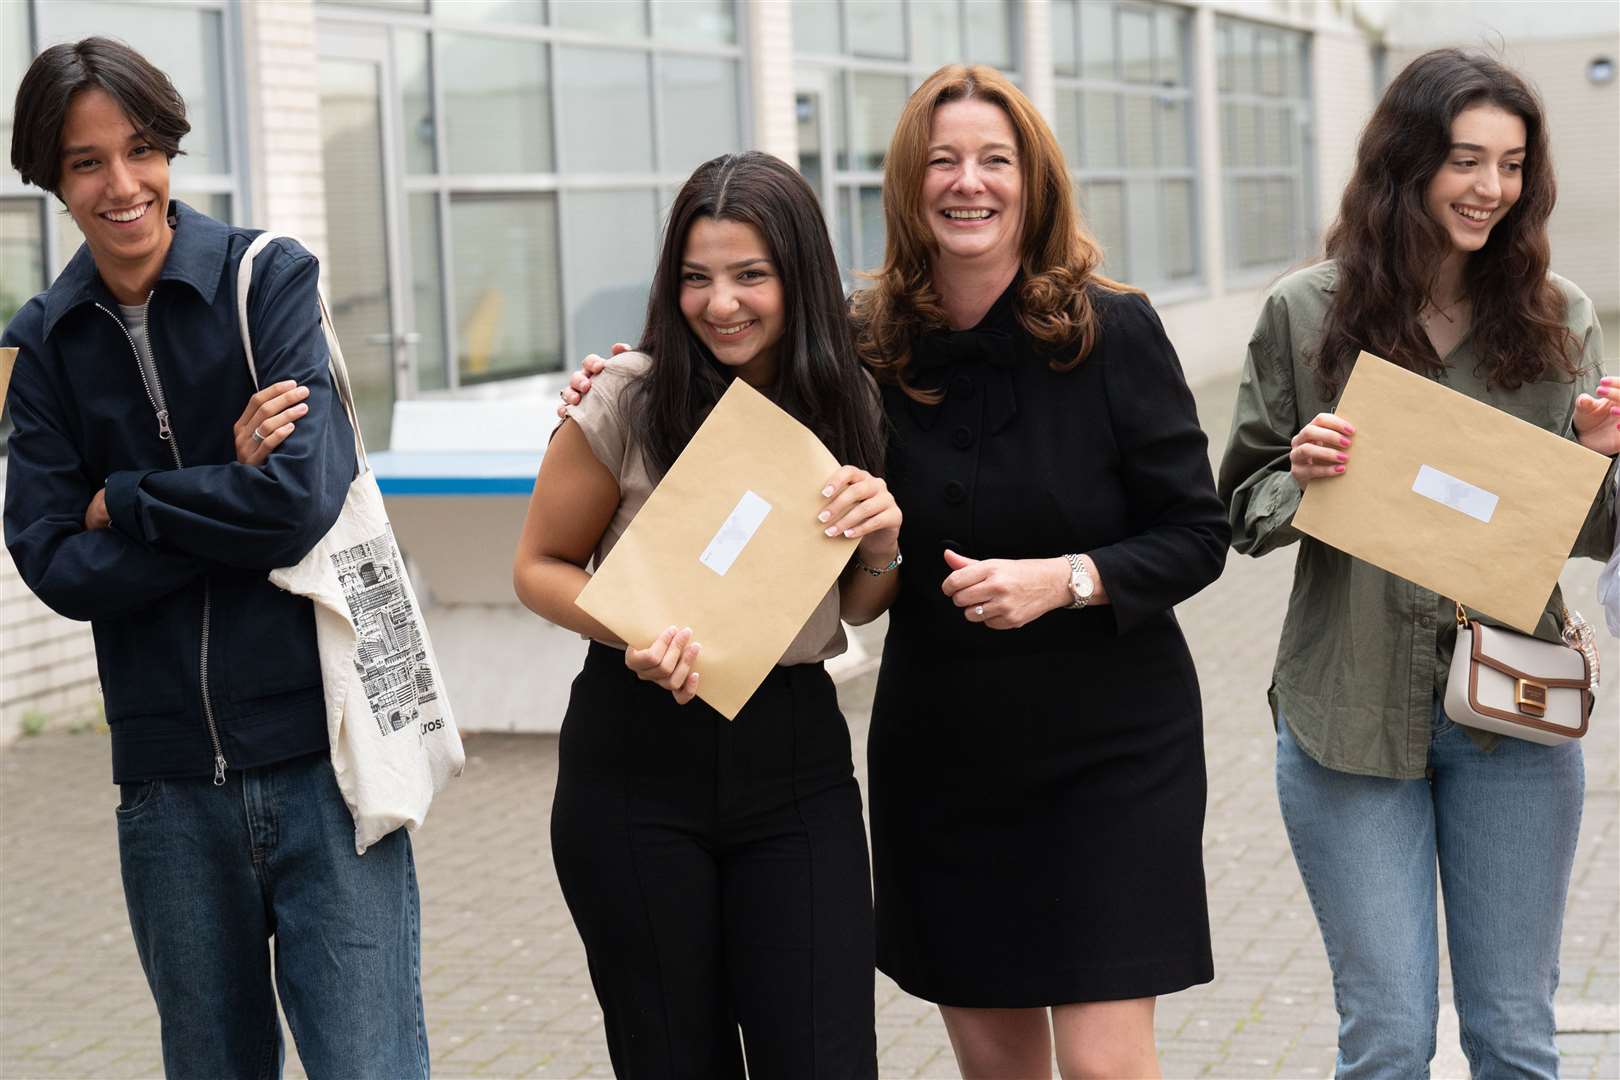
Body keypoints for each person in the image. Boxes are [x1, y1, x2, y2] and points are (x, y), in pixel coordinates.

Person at [564, 66, 1230, 1079]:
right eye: (944, 162)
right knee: (998, 1065)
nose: (969, 183)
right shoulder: (863, 344)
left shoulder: (1112, 330)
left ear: (1032, 181)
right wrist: (617, 381)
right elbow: (726, 350)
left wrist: (1068, 579)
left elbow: (1197, 531)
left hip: (1111, 751)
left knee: (1102, 1064)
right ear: (909, 187)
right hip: (945, 752)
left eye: (994, 161)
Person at [3, 39, 428, 1078]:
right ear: (53, 181)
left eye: (141, 150)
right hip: (168, 792)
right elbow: (54, 563)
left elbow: (294, 507)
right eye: (87, 162)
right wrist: (219, 496)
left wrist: (136, 499)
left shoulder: (268, 278)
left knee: (370, 1066)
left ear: (172, 151)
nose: (121, 185)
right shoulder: (45, 342)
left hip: (325, 761)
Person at [1218, 49, 1620, 1078]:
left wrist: (1597, 463)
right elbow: (1239, 508)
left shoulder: (1559, 315)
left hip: (1515, 722)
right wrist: (1301, 476)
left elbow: (1590, 532)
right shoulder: (1307, 314)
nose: (1491, 189)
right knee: (1389, 1038)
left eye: (1513, 164)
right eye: (1464, 160)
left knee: (1515, 1039)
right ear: (1405, 163)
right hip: (1346, 714)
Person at [513, 151, 896, 1078]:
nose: (721, 302)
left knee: (823, 1057)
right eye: (696, 277)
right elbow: (538, 566)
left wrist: (884, 542)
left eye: (749, 275)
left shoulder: (848, 401)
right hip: (635, 765)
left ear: (796, 276)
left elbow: (857, 601)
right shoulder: (626, 397)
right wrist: (638, 631)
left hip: (793, 762)